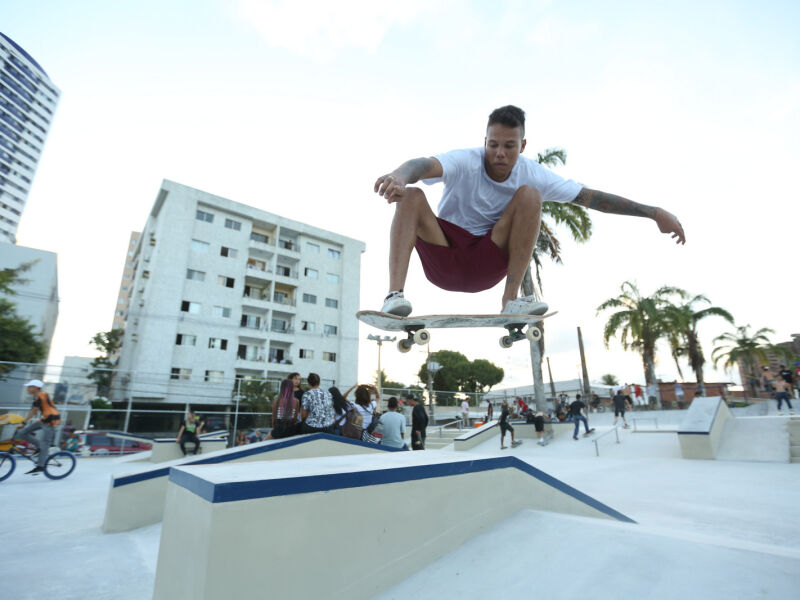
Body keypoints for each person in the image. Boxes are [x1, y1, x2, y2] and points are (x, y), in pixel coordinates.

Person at [373, 104, 685, 316]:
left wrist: (653, 212)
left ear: (522, 146)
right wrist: (399, 176)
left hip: (487, 260)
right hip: (444, 255)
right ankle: (394, 296)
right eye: (493, 144)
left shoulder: (532, 172)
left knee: (530, 196)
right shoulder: (464, 160)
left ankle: (511, 301)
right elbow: (424, 164)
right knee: (411, 195)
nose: (499, 153)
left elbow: (590, 198)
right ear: (484, 141)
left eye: (509, 146)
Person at [15, 379, 61, 474]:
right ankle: (39, 446)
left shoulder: (41, 395)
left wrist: (23, 423)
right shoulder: (37, 396)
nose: (27, 389)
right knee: (22, 433)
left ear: (35, 388)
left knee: (45, 444)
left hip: (51, 420)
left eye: (29, 387)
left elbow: (34, 411)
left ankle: (40, 466)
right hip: (44, 419)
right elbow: (32, 410)